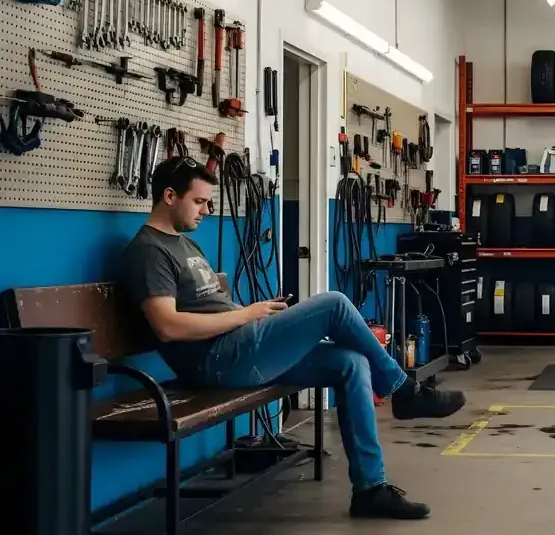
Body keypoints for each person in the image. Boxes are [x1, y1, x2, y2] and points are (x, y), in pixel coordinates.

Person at [116, 156, 464, 521]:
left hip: (238, 344)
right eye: (199, 202)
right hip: (216, 362)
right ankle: (403, 391)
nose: (206, 210)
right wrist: (247, 315)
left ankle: (370, 489)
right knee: (335, 304)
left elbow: (210, 307)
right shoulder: (149, 251)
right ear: (170, 196)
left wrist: (255, 312)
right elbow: (167, 326)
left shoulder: (186, 245)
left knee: (351, 362)